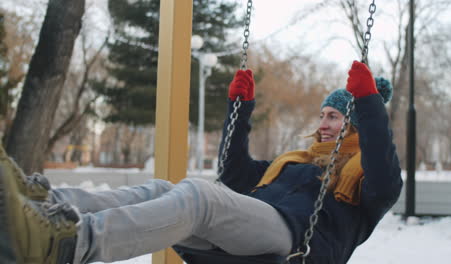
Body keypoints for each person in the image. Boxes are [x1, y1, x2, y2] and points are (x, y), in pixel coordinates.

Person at [0, 61, 402, 264]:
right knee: (163, 188)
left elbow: (386, 176)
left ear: (354, 123)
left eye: (333, 116)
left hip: (294, 242)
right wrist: (239, 110)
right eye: (322, 115)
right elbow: (234, 173)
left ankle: (66, 245)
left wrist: (368, 105)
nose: (323, 124)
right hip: (257, 224)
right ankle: (42, 203)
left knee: (198, 196)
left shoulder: (367, 174)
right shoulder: (294, 161)